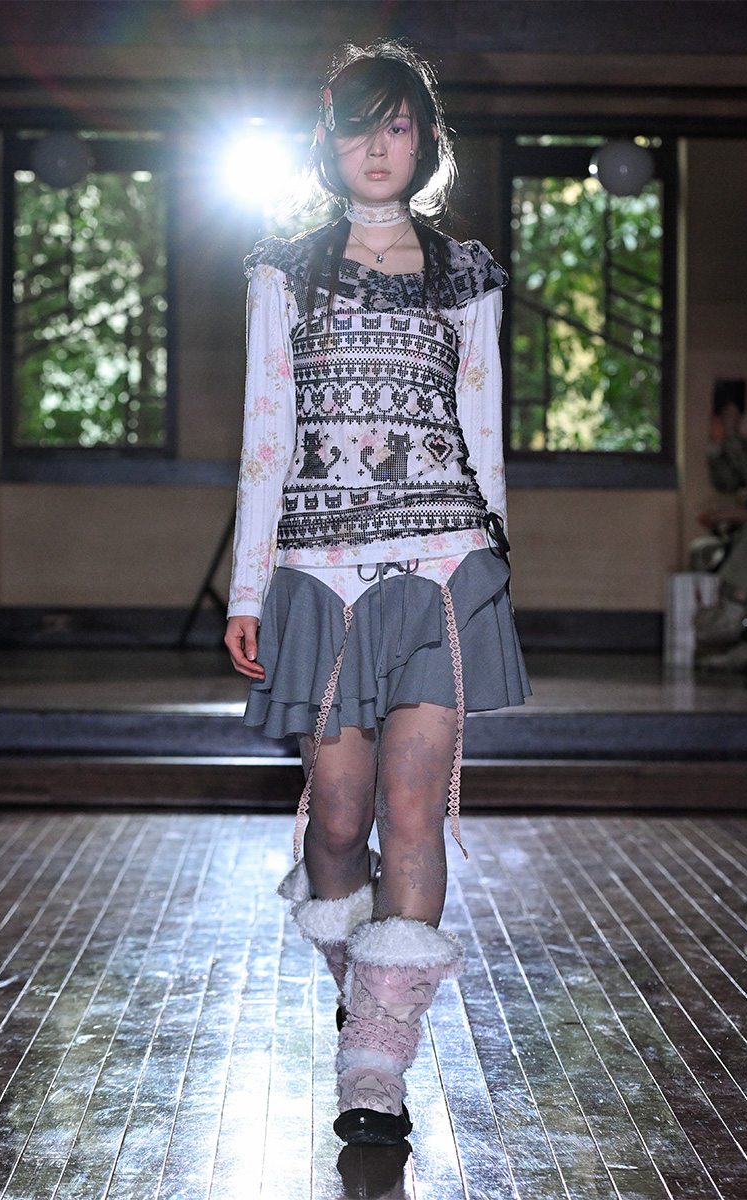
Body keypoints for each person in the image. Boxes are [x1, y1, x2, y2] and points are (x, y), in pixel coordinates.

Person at [224, 40, 530, 1146]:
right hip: (319, 572)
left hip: (442, 566)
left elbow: (481, 428)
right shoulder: (284, 274)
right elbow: (266, 436)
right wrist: (248, 586)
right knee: (340, 818)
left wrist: (497, 560)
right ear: (329, 140)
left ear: (426, 140)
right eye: (359, 126)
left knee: (411, 808)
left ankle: (376, 1064)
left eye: (398, 125)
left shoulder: (465, 275)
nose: (378, 146)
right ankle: (362, 986)